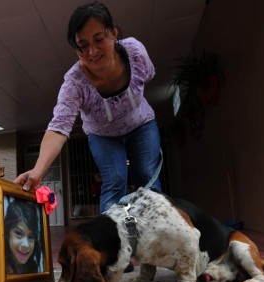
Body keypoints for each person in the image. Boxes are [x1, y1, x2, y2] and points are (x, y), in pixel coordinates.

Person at [14, 0, 162, 214]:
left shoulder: (135, 52)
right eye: (83, 46)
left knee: (147, 175)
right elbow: (58, 127)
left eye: (99, 39)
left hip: (142, 124)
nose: (92, 51)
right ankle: (110, 243)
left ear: (113, 32)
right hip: (102, 135)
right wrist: (38, 170)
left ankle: (158, 237)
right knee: (115, 180)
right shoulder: (74, 83)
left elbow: (147, 74)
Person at [4, 198, 43, 275]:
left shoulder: (34, 267)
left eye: (31, 236)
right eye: (18, 233)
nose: (25, 245)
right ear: (7, 233)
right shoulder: (0, 268)